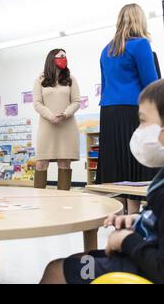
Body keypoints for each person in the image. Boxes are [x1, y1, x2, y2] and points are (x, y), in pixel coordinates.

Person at [40, 79, 164, 284]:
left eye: (142, 121)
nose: (138, 129)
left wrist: (125, 240)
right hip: (142, 254)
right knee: (78, 260)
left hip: (144, 267)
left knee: (56, 270)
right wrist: (136, 221)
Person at [96, 3, 159, 214]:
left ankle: (120, 211)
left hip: (108, 112)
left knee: (117, 161)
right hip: (132, 109)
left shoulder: (106, 49)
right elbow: (151, 84)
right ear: (139, 20)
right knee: (135, 158)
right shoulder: (140, 45)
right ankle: (133, 213)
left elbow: (104, 85)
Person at [33, 49, 81, 190]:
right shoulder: (40, 80)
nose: (64, 59)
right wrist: (50, 116)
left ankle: (63, 201)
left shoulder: (71, 79)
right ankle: (39, 201)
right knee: (41, 163)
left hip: (67, 126)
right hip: (46, 126)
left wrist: (65, 114)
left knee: (64, 163)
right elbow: (37, 103)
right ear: (51, 59)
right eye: (61, 56)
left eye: (65, 56)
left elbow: (76, 102)